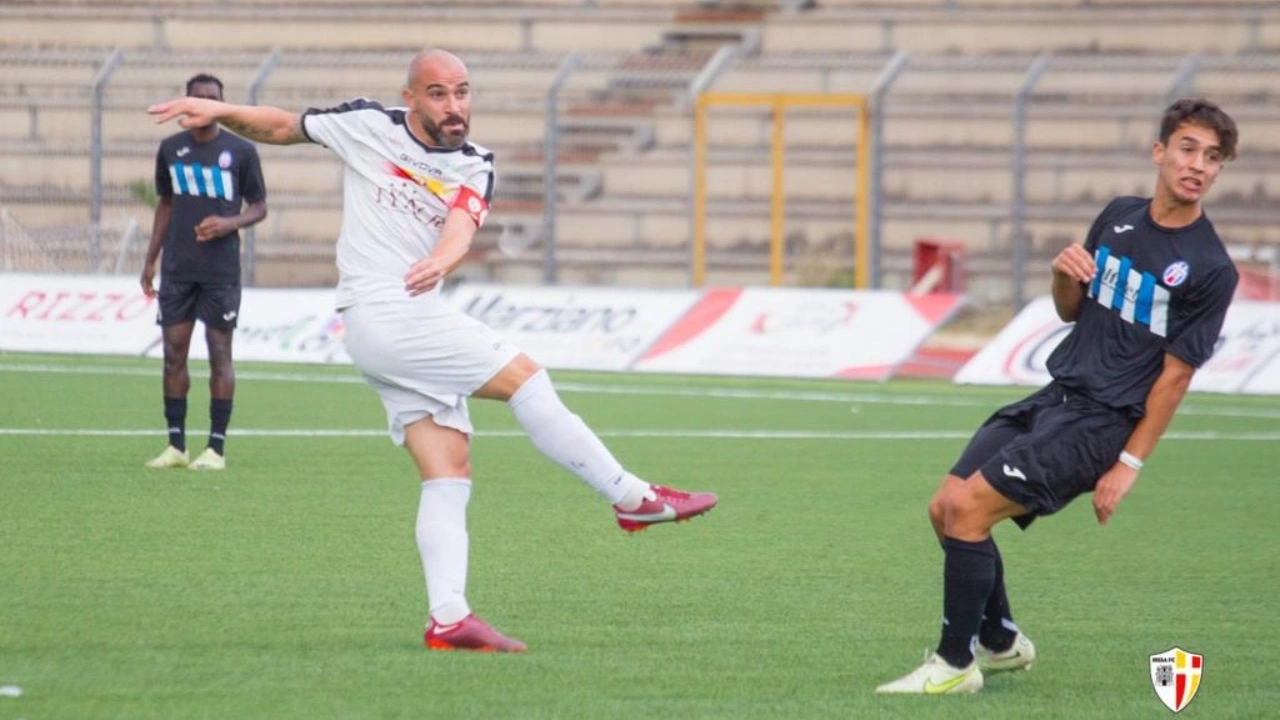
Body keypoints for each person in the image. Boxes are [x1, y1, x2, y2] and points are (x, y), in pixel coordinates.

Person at [148, 49, 717, 653]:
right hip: (385, 314)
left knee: (448, 468)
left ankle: (448, 616)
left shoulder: (475, 164)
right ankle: (630, 497)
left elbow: (460, 229)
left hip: (400, 323)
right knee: (526, 379)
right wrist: (221, 111)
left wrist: (444, 259)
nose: (454, 107)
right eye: (440, 94)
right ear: (412, 98)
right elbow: (284, 126)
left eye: (462, 93)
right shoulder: (368, 125)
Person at [876, 98, 1239, 694]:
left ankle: (954, 666)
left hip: (1103, 422)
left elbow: (1175, 378)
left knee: (969, 513)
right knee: (945, 507)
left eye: (1214, 157)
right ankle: (1001, 642)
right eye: (1188, 148)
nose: (1199, 165)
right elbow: (1072, 310)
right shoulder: (1119, 216)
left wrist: (1127, 465)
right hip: (1057, 396)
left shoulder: (1210, 267)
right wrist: (1061, 275)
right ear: (1160, 152)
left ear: (1220, 170)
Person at [141, 73, 268, 472]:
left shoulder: (241, 151)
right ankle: (176, 445)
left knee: (219, 354)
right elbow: (165, 204)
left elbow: (259, 206)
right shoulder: (171, 149)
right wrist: (150, 258)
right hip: (178, 268)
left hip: (220, 271)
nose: (205, 104)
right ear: (187, 101)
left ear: (221, 104)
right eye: (198, 98)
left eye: (212, 99)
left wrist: (229, 223)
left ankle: (216, 448)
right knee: (172, 355)